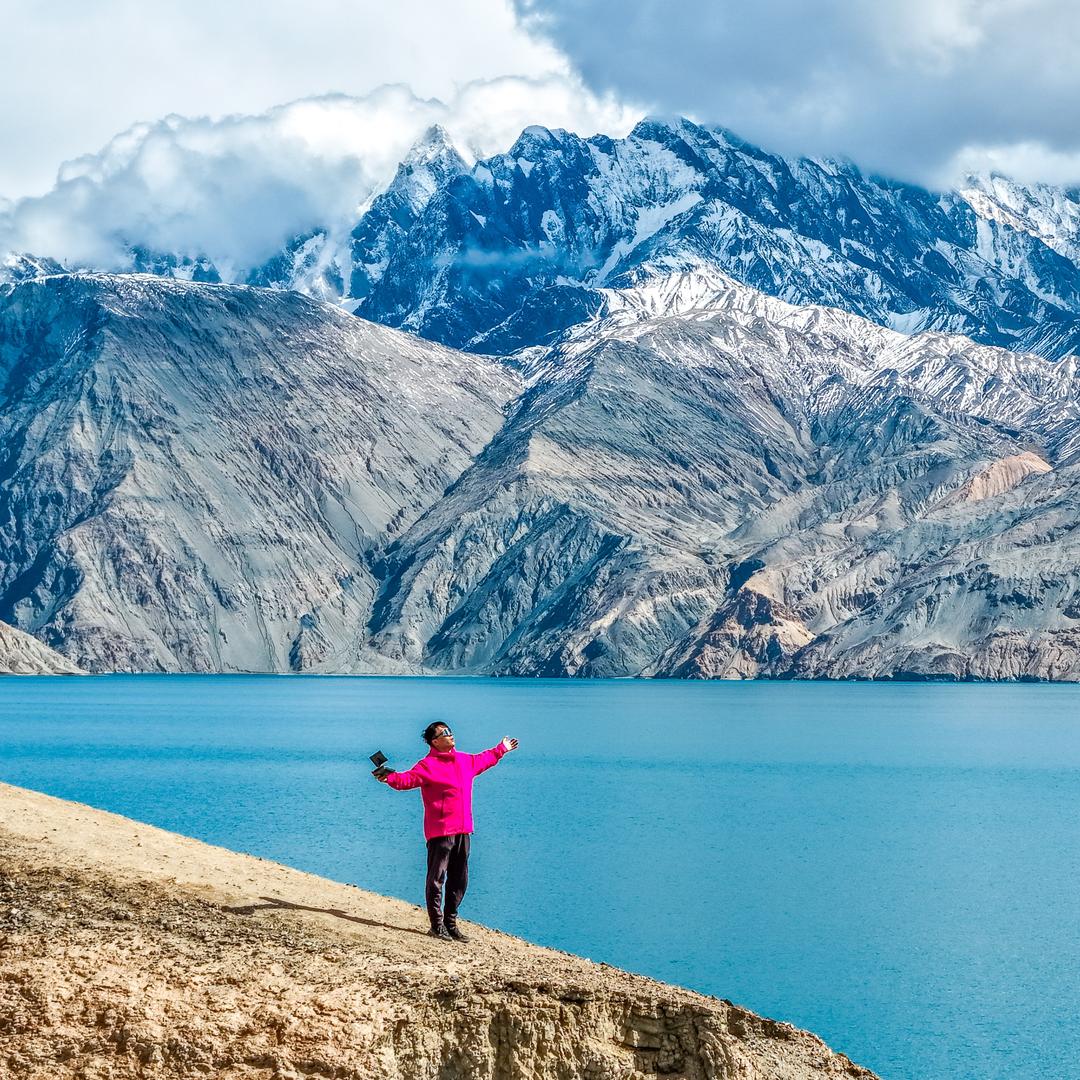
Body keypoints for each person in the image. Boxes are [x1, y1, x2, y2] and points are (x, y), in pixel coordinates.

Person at [377, 722, 517, 941]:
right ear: (435, 741)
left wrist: (502, 748)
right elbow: (406, 779)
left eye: (450, 731)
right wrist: (389, 777)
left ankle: (451, 923)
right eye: (445, 733)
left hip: (463, 830)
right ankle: (436, 925)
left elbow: (485, 759)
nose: (450, 735)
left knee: (460, 879)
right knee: (436, 879)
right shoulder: (427, 765)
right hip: (440, 831)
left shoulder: (465, 761)